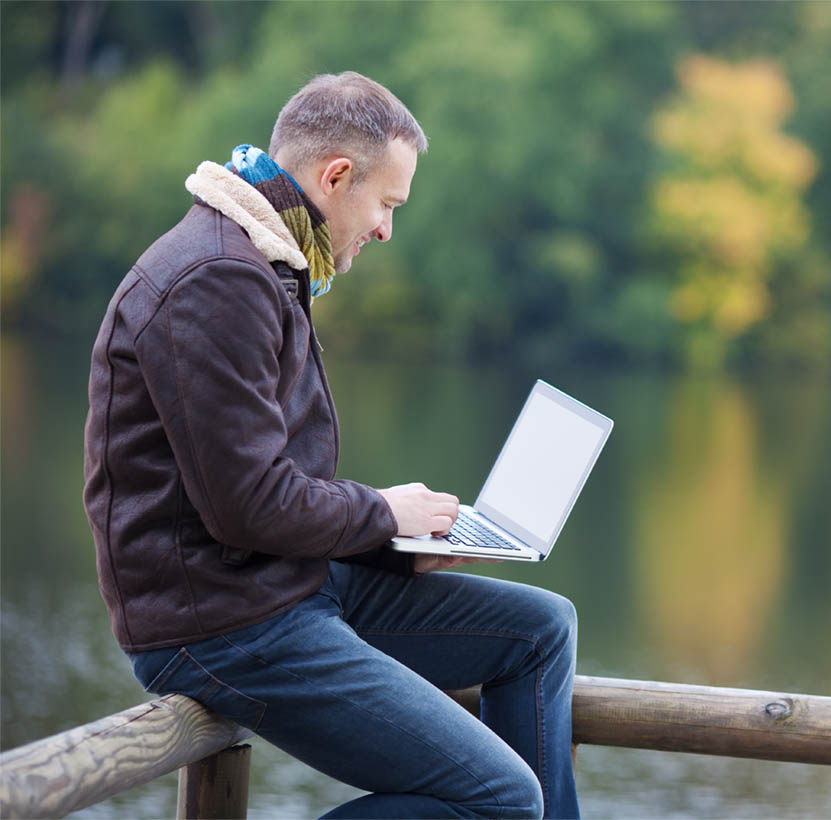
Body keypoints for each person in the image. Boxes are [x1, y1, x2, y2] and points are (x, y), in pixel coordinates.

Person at [83, 72, 580, 819]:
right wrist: (382, 512)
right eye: (387, 204)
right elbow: (246, 506)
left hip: (282, 585)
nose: (386, 229)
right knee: (502, 799)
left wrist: (396, 540)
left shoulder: (264, 262)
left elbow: (260, 491)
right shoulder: (219, 278)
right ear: (336, 176)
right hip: (219, 624)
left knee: (542, 630)